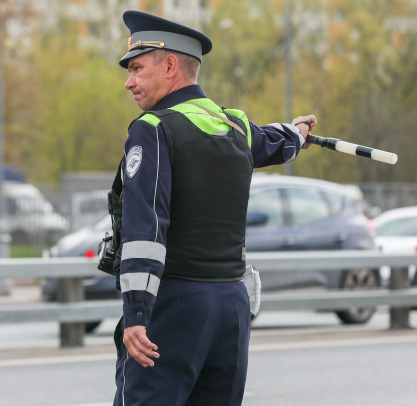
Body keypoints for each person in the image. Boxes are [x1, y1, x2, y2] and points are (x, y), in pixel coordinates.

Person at [110, 10, 316, 406]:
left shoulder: (152, 129)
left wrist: (136, 314)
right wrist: (298, 132)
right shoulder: (233, 125)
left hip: (174, 305)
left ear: (170, 65)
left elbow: (146, 228)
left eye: (137, 68)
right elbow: (273, 141)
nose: (129, 82)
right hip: (231, 307)